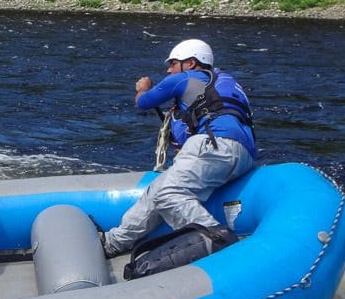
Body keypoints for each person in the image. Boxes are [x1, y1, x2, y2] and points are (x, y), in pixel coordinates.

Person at [101, 39, 257, 258]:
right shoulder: (225, 81)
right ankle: (113, 243)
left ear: (191, 63)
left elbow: (144, 102)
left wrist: (142, 89)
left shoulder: (184, 78)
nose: (168, 69)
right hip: (243, 155)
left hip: (216, 145)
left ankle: (222, 246)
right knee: (157, 189)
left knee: (168, 192)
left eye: (173, 63)